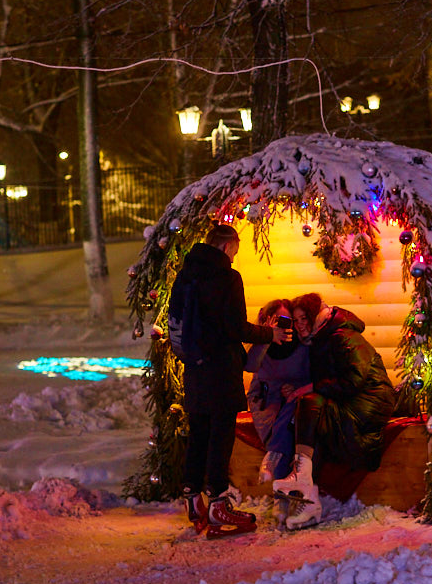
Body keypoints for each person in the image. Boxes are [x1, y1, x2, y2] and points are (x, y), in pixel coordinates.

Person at [170, 224, 291, 537]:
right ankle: (218, 505)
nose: (235, 257)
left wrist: (189, 357)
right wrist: (270, 333)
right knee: (221, 436)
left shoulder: (186, 275)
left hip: (195, 369)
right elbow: (236, 328)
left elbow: (175, 321)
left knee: (198, 432)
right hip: (221, 370)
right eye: (235, 251)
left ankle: (193, 498)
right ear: (227, 247)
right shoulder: (227, 277)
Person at [273, 292, 396, 530]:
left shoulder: (342, 335)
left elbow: (353, 380)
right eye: (295, 321)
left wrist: (310, 388)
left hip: (370, 402)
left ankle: (304, 488)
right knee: (311, 413)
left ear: (314, 316)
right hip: (353, 400)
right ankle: (305, 494)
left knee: (310, 403)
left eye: (303, 319)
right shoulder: (320, 338)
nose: (299, 325)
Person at [245, 299, 312, 486]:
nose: (284, 325)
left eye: (288, 320)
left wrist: (295, 387)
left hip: (295, 402)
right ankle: (280, 497)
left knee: (290, 428)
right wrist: (267, 336)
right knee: (281, 429)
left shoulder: (302, 345)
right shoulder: (262, 347)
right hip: (270, 404)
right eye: (279, 319)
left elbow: (312, 377)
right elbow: (251, 368)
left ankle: (275, 463)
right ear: (267, 319)